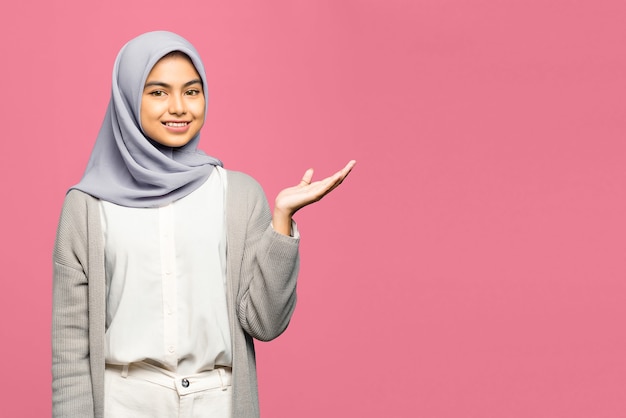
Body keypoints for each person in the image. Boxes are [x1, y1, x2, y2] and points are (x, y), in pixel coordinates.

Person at [52, 30, 355, 418]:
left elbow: (264, 323)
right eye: (158, 92)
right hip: (123, 403)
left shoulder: (239, 195)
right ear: (128, 99)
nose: (179, 107)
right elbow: (70, 349)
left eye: (192, 92)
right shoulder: (87, 207)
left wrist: (282, 222)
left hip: (218, 403)